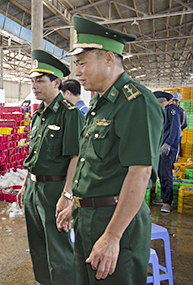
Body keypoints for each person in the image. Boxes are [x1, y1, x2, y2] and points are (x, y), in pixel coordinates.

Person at [56, 15, 165, 285]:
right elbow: (95, 164)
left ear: (107, 58)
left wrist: (113, 236)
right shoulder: (100, 104)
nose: (77, 72)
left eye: (82, 63)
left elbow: (140, 173)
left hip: (116, 222)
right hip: (89, 218)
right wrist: (76, 203)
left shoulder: (135, 102)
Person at [16, 49, 84, 285]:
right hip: (34, 189)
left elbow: (76, 157)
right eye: (32, 81)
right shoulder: (39, 115)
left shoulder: (70, 114)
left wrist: (68, 195)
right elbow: (34, 154)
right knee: (37, 245)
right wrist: (26, 184)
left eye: (40, 80)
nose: (34, 86)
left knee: (58, 247)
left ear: (56, 82)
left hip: (55, 189)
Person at [153, 91, 181, 213]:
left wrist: (168, 143)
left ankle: (167, 202)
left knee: (165, 173)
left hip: (168, 147)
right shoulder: (161, 112)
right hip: (161, 146)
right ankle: (164, 197)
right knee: (160, 172)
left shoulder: (172, 110)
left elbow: (175, 128)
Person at [172, 91, 188, 159]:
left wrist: (178, 129)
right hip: (169, 133)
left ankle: (174, 161)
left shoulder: (182, 111)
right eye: (173, 100)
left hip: (177, 133)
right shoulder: (168, 109)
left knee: (175, 149)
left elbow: (184, 123)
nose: (174, 102)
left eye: (176, 100)